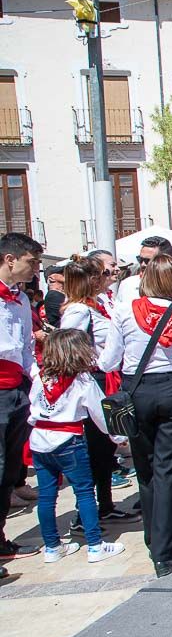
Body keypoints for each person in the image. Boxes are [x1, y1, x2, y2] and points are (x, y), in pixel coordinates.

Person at [99, 255, 172, 577]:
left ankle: (153, 537)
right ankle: (164, 552)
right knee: (167, 469)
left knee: (144, 466)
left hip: (137, 391)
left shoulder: (123, 312)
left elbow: (108, 362)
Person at [29, 329, 126, 563]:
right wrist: (117, 437)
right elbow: (100, 414)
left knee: (46, 496)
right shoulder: (83, 380)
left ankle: (52, 547)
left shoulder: (41, 377)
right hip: (69, 441)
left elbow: (32, 409)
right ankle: (95, 545)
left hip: (40, 440)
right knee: (84, 492)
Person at [59, 257, 139, 528]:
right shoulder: (78, 311)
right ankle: (86, 513)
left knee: (106, 447)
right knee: (95, 447)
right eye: (98, 275)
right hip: (94, 381)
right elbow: (69, 349)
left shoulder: (100, 305)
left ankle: (105, 505)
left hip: (107, 379)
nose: (103, 279)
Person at [0, 233, 43, 561]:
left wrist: (38, 381)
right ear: (10, 260)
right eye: (32, 262)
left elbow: (26, 348)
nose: (36, 269)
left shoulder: (22, 300)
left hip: (17, 390)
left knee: (11, 467)